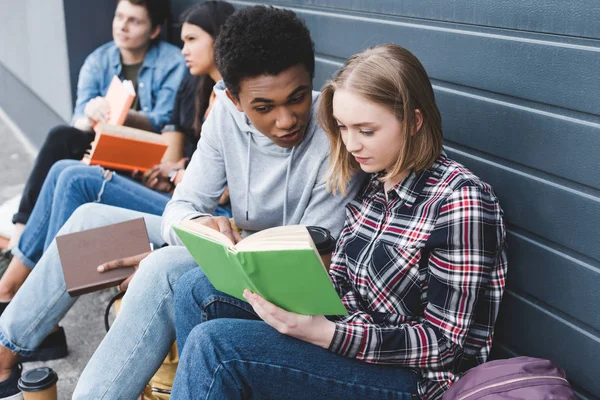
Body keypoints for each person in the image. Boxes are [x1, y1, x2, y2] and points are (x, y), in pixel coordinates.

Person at [0, 5, 365, 399]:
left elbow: (307, 260)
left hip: (275, 271)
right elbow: (182, 205)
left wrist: (181, 249)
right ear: (235, 99)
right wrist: (197, 233)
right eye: (263, 107)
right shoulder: (224, 113)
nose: (286, 119)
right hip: (230, 242)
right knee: (91, 218)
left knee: (161, 265)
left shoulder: (334, 128)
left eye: (296, 98)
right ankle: (4, 352)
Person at [170, 44, 509, 400]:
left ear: (414, 121)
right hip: (346, 334)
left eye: (366, 130)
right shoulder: (376, 182)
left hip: (411, 379)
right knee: (196, 288)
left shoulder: (461, 202)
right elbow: (342, 282)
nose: (350, 145)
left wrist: (323, 333)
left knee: (219, 347)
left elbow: (444, 345)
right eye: (344, 128)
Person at [0, 1, 234, 314]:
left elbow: (229, 185)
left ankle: (22, 296)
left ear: (218, 40)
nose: (183, 50)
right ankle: (16, 285)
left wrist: (176, 173)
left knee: (74, 177)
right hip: (178, 193)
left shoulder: (233, 99)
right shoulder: (198, 86)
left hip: (204, 212)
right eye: (119, 17)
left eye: (191, 40)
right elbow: (191, 152)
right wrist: (175, 169)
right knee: (63, 162)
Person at [1, 0, 185, 265]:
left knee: (67, 168)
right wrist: (91, 114)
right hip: (104, 149)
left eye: (134, 20)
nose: (122, 26)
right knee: (61, 137)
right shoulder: (99, 60)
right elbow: (77, 123)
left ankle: (31, 257)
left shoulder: (172, 62)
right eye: (119, 16)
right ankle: (21, 231)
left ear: (154, 30)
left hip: (148, 160)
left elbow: (167, 121)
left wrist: (125, 115)